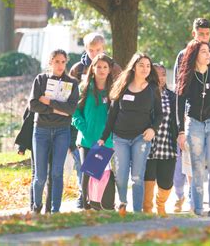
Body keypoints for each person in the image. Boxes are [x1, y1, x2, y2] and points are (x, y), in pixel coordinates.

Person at [173, 18, 210, 210]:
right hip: (194, 123)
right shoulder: (186, 70)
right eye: (204, 51)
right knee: (196, 168)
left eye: (209, 50)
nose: (208, 52)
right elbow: (179, 99)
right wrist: (181, 130)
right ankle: (197, 207)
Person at [99, 53, 163, 213]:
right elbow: (112, 115)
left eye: (148, 66)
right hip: (120, 138)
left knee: (137, 177)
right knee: (121, 176)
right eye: (141, 65)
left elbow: (159, 114)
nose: (145, 68)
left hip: (141, 138)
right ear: (134, 67)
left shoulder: (153, 89)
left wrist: (152, 129)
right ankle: (122, 203)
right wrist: (103, 138)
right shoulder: (122, 86)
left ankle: (137, 211)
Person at [69, 32, 121, 208]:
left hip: (105, 137)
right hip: (86, 137)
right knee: (86, 171)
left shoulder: (113, 84)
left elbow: (116, 112)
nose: (101, 69)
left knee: (98, 172)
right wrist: (83, 128)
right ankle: (85, 203)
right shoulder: (82, 82)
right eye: (90, 50)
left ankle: (100, 202)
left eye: (105, 67)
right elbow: (74, 110)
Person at [29, 49, 79, 213]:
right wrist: (57, 110)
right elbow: (33, 105)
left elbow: (71, 109)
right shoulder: (41, 79)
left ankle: (55, 210)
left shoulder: (72, 83)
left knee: (57, 173)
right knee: (40, 176)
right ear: (50, 62)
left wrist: (49, 102)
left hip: (62, 131)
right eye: (57, 61)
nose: (60, 65)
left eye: (63, 62)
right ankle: (36, 206)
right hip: (41, 130)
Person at [143, 64, 178, 217]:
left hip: (167, 145)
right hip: (147, 146)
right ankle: (147, 209)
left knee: (166, 182)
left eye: (163, 74)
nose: (161, 77)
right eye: (157, 74)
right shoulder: (144, 94)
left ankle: (161, 205)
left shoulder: (172, 96)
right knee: (148, 179)